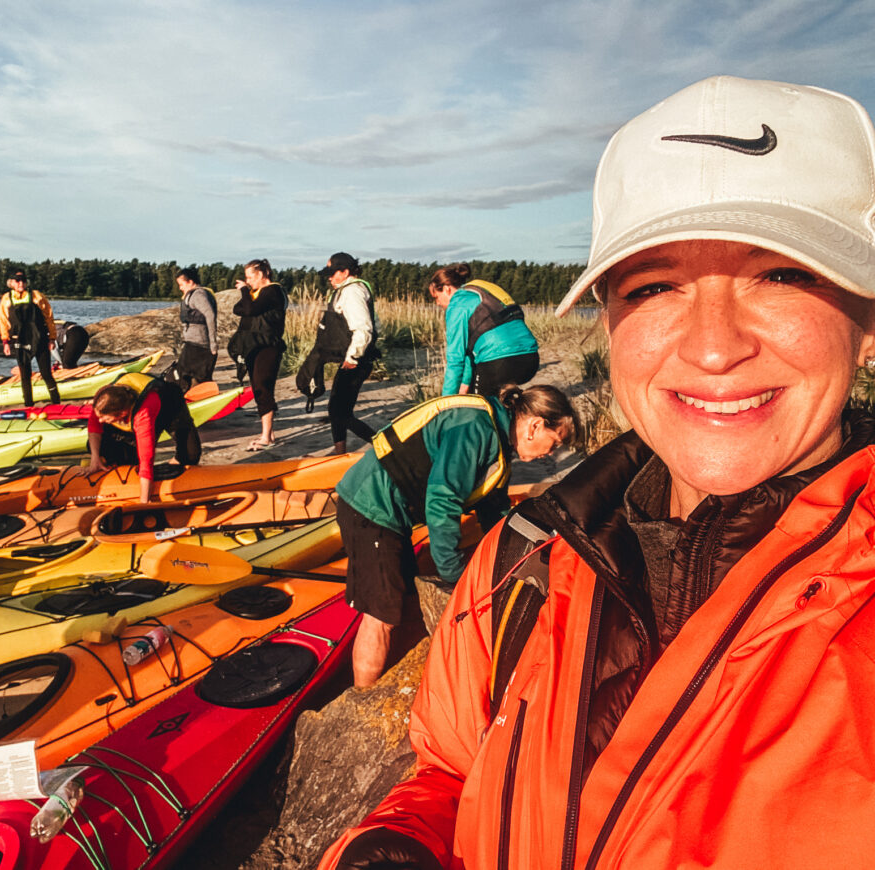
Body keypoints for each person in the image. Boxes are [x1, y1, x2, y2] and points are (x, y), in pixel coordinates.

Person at [320, 75, 875, 870]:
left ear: (867, 324)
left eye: (783, 274)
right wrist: (393, 845)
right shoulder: (523, 564)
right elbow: (449, 771)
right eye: (654, 287)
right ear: (612, 326)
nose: (713, 346)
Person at [337, 385, 576, 688]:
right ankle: (361, 702)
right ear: (535, 426)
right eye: (555, 443)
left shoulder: (497, 438)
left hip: (392, 515)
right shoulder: (475, 428)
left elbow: (494, 511)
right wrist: (453, 573)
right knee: (380, 615)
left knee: (406, 602)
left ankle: (398, 679)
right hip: (369, 506)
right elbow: (441, 500)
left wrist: (521, 552)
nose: (551, 453)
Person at [87, 372, 201, 503]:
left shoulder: (143, 415)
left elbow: (146, 458)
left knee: (191, 455)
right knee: (115, 451)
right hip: (132, 405)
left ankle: (173, 470)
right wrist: (95, 458)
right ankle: (110, 465)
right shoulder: (103, 399)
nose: (99, 420)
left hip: (169, 403)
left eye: (104, 418)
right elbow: (94, 426)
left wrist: (144, 502)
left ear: (122, 413)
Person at [428, 263, 539, 398]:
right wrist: (464, 384)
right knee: (499, 401)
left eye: (436, 297)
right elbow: (470, 352)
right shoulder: (480, 291)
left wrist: (445, 402)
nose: (437, 303)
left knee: (479, 408)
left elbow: (455, 360)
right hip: (531, 359)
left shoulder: (457, 304)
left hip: (500, 362)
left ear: (447, 289)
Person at [312, 252, 379, 454]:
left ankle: (385, 446)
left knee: (340, 412)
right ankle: (339, 450)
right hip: (352, 358)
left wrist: (353, 357)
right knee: (337, 409)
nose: (330, 278)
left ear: (345, 272)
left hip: (357, 360)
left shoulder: (353, 292)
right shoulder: (348, 290)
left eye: (333, 273)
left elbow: (364, 329)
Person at [227, 258, 287, 450]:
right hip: (253, 346)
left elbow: (250, 309)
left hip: (268, 345)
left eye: (250, 277)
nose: (248, 281)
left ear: (261, 274)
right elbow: (239, 309)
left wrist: (245, 291)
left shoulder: (273, 291)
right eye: (246, 278)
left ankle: (266, 437)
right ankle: (269, 434)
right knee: (258, 387)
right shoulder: (257, 293)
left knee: (263, 386)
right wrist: (249, 294)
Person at [0, 268, 60, 406]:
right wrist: (5, 342)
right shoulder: (6, 299)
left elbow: (49, 317)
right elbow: (3, 321)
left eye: (23, 280)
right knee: (25, 376)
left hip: (40, 338)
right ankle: (29, 405)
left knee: (46, 374)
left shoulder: (37, 296)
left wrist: (52, 338)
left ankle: (56, 403)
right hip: (20, 340)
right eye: (17, 281)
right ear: (11, 283)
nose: (21, 283)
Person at [172, 267, 219, 392]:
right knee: (186, 374)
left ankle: (182, 400)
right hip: (193, 342)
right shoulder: (192, 295)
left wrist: (213, 344)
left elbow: (210, 315)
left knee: (182, 373)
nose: (181, 288)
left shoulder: (198, 295)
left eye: (182, 284)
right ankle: (189, 396)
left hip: (199, 344)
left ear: (191, 282)